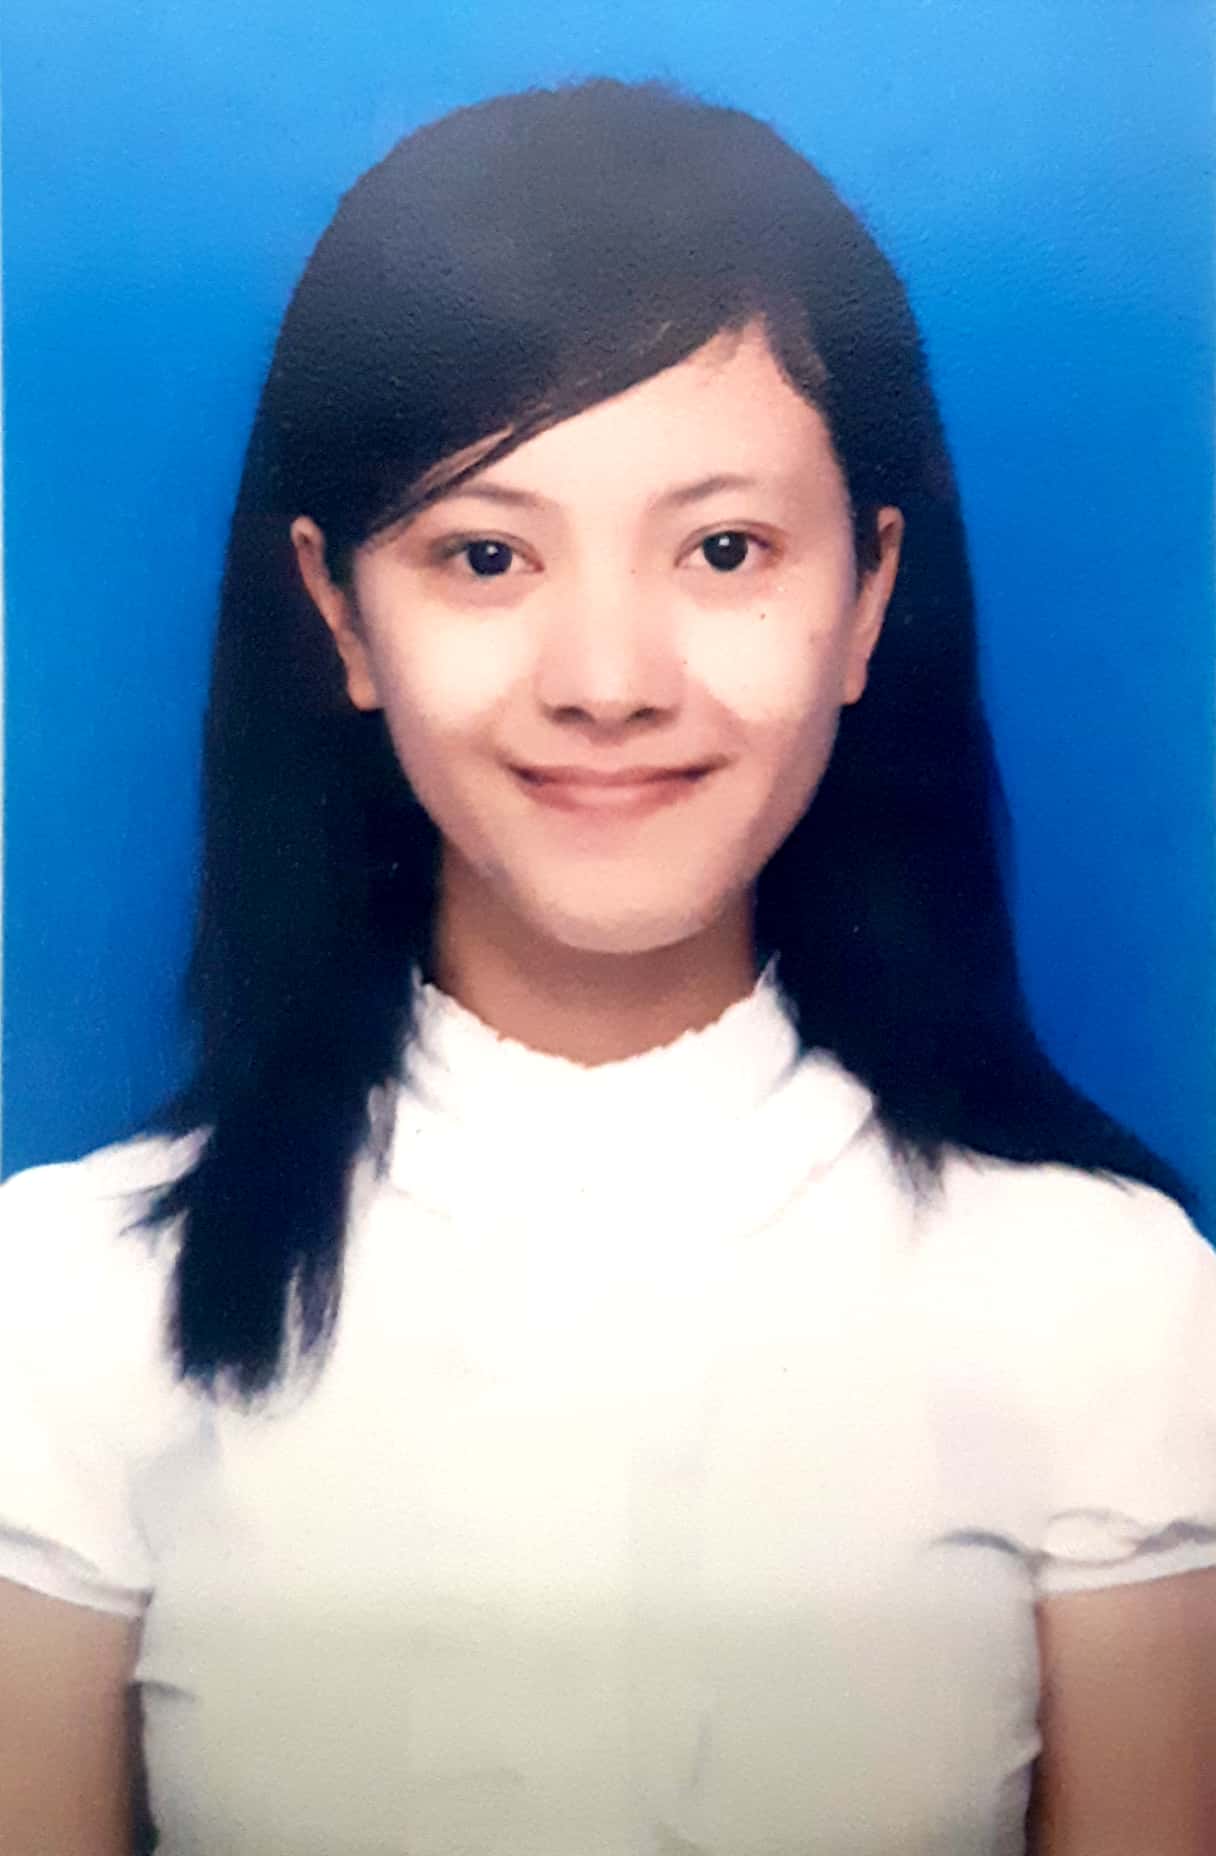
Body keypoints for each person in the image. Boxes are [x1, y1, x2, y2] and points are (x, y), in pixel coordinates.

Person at [0, 73, 1213, 1856]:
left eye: (724, 548)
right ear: (340, 613)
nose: (608, 680)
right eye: (486, 553)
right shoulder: (70, 1310)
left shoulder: (1104, 1300)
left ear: (868, 596)